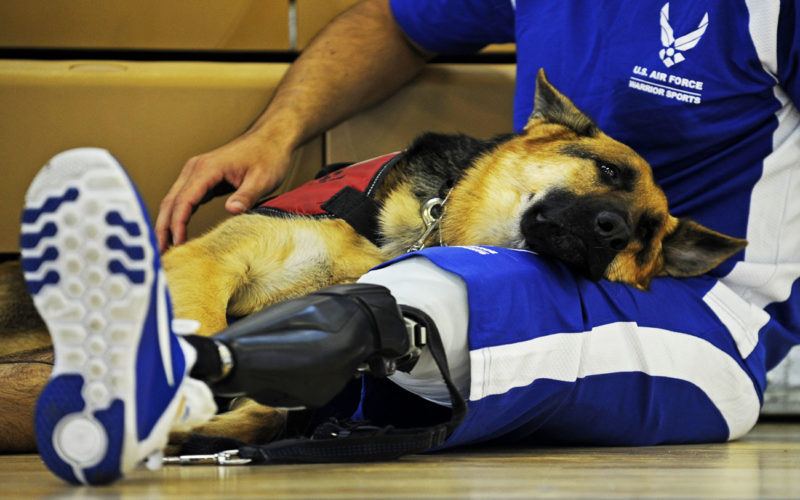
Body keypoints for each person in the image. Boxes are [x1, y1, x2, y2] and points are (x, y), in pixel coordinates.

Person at [10, 0, 800, 486]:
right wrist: (275, 132)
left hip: (705, 310)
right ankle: (148, 387)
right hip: (515, 261)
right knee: (423, 280)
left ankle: (183, 372)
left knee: (452, 298)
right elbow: (392, 19)